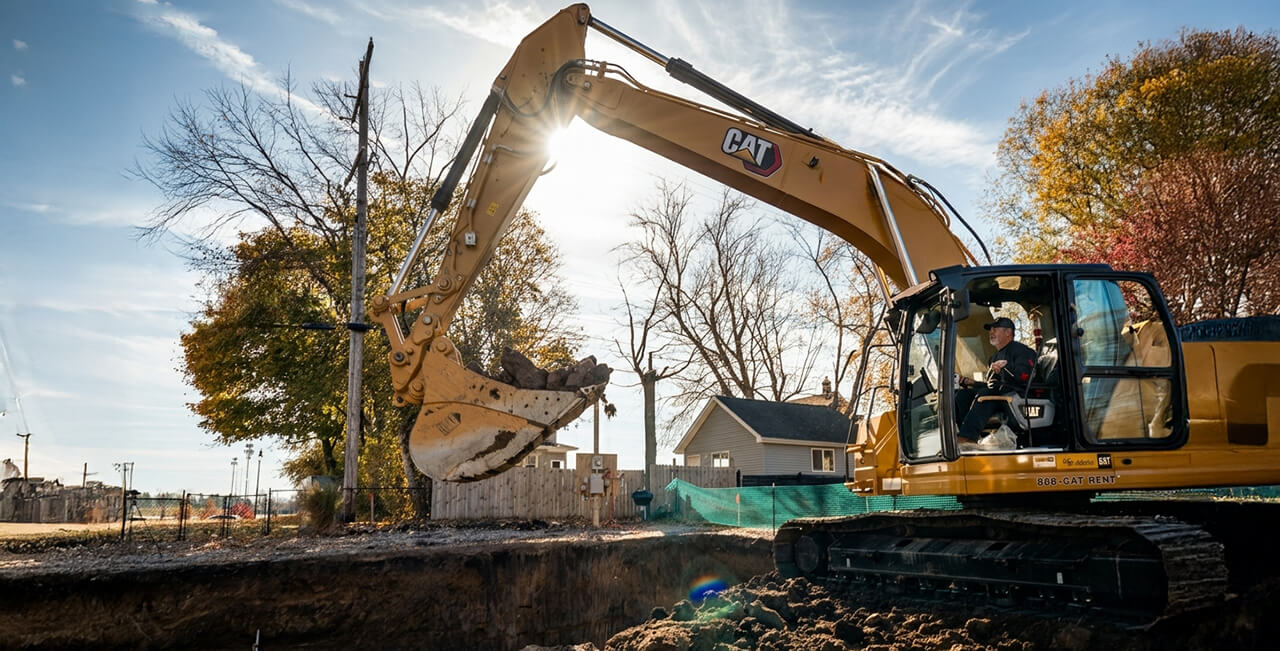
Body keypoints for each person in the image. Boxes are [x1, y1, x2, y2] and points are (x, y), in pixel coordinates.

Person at [955, 317, 1037, 444]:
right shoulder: (994, 357)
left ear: (1008, 332)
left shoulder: (1021, 351)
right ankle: (966, 434)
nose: (991, 332)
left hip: (1016, 396)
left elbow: (1024, 377)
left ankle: (967, 438)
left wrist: (1004, 370)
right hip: (999, 394)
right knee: (962, 395)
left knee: (986, 395)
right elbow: (992, 384)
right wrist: (971, 383)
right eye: (990, 330)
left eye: (995, 329)